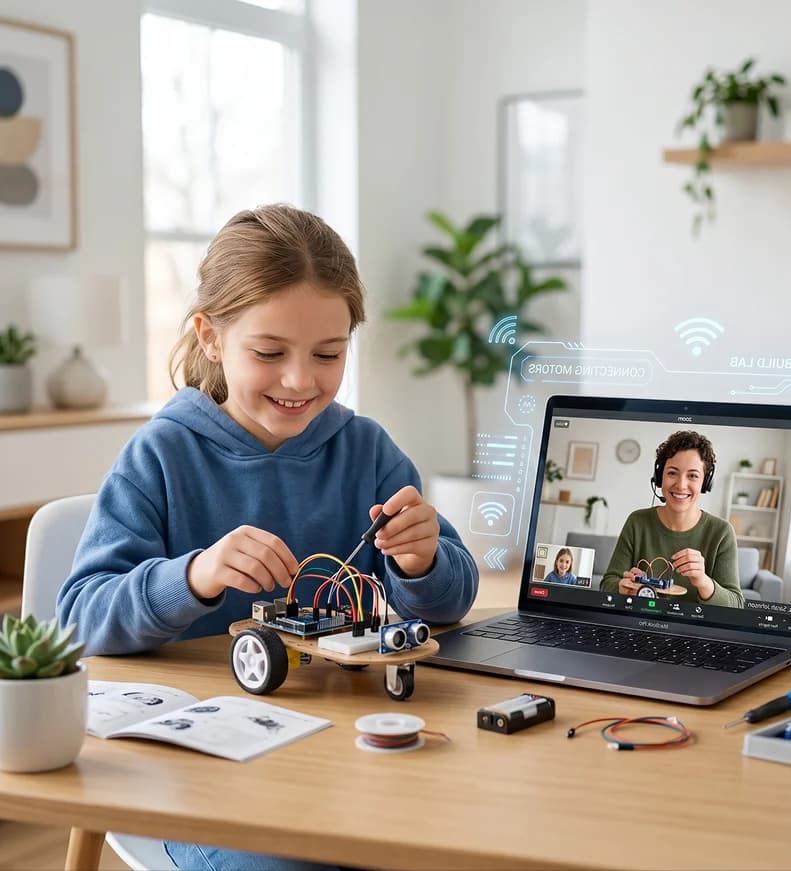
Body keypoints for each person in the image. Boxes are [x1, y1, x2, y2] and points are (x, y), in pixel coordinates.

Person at [57, 204, 479, 871]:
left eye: (328, 354)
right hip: (199, 773)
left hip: (345, 754)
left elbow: (449, 603)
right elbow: (79, 617)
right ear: (210, 337)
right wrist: (193, 576)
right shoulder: (161, 456)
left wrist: (422, 562)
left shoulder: (367, 451)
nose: (300, 380)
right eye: (269, 352)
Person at [599, 430, 742, 607]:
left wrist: (703, 581)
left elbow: (736, 605)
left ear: (705, 482)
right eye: (672, 473)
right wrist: (622, 588)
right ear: (660, 478)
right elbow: (607, 584)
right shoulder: (637, 522)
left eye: (693, 475)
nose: (681, 485)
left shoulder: (721, 532)